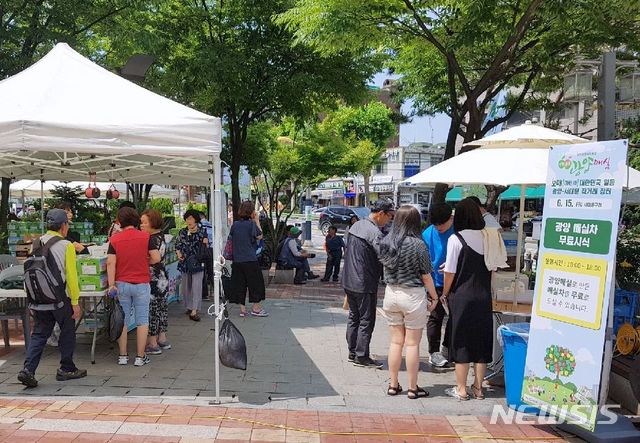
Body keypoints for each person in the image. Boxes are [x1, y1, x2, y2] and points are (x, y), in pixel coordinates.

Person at [17, 209, 87, 387]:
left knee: (40, 333)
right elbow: (71, 277)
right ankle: (66, 368)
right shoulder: (67, 245)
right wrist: (75, 302)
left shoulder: (36, 242)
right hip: (59, 298)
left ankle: (28, 370)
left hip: (40, 298)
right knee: (67, 329)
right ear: (63, 226)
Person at [379, 205, 438, 399]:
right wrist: (435, 297)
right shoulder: (418, 244)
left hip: (391, 294)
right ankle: (413, 388)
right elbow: (426, 276)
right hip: (412, 296)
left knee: (396, 342)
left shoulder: (386, 241)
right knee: (412, 344)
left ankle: (393, 384)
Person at [443, 198, 493, 401]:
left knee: (461, 341)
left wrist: (444, 294)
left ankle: (461, 389)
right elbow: (493, 267)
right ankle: (479, 388)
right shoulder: (488, 237)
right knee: (481, 342)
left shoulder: (456, 239)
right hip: (483, 296)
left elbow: (449, 272)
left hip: (462, 297)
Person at [342, 200, 394, 369]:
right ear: (381, 214)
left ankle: (352, 351)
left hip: (349, 279)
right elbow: (385, 257)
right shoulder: (373, 232)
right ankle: (362, 356)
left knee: (353, 317)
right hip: (364, 282)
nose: (389, 220)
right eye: (389, 216)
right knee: (366, 320)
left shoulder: (356, 226)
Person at [107, 207, 158, 367]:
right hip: (142, 284)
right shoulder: (145, 237)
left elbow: (110, 263)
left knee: (123, 320)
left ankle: (123, 356)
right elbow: (156, 258)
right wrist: (144, 262)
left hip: (121, 284)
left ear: (120, 221)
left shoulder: (114, 240)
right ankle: (140, 357)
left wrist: (111, 285)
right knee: (142, 320)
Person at [421, 203, 454, 368]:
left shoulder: (457, 233)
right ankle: (433, 352)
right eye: (436, 225)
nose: (439, 228)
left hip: (454, 282)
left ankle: (447, 348)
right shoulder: (427, 234)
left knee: (454, 318)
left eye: (442, 224)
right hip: (434, 283)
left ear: (451, 218)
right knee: (435, 317)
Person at [229, 201, 268, 317]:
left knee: (239, 284)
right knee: (255, 284)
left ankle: (242, 310)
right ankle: (256, 309)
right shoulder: (251, 224)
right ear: (251, 212)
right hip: (250, 259)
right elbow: (260, 235)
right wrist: (256, 220)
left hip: (237, 260)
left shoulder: (235, 225)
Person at [141, 209, 171, 355]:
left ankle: (152, 343)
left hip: (153, 278)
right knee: (162, 308)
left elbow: (155, 258)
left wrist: (143, 261)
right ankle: (162, 338)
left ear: (152, 223)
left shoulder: (151, 239)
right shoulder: (161, 236)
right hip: (162, 277)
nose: (141, 225)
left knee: (152, 309)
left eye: (144, 222)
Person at [176, 209, 208, 321]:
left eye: (191, 219)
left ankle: (194, 310)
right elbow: (178, 245)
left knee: (196, 286)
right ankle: (189, 306)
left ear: (196, 220)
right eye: (187, 219)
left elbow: (205, 247)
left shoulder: (202, 232)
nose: (189, 221)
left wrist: (205, 242)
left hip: (197, 262)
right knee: (186, 287)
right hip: (184, 263)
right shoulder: (182, 232)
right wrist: (178, 253)